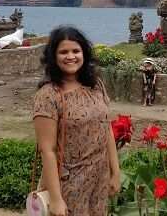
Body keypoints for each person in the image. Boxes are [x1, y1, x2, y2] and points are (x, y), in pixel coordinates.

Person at [33, 26, 121, 216]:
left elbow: (106, 129)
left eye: (76, 51)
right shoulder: (48, 95)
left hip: (99, 176)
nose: (70, 56)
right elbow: (47, 150)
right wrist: (56, 200)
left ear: (84, 53)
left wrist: (115, 172)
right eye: (63, 52)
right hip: (69, 182)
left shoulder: (95, 85)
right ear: (53, 57)